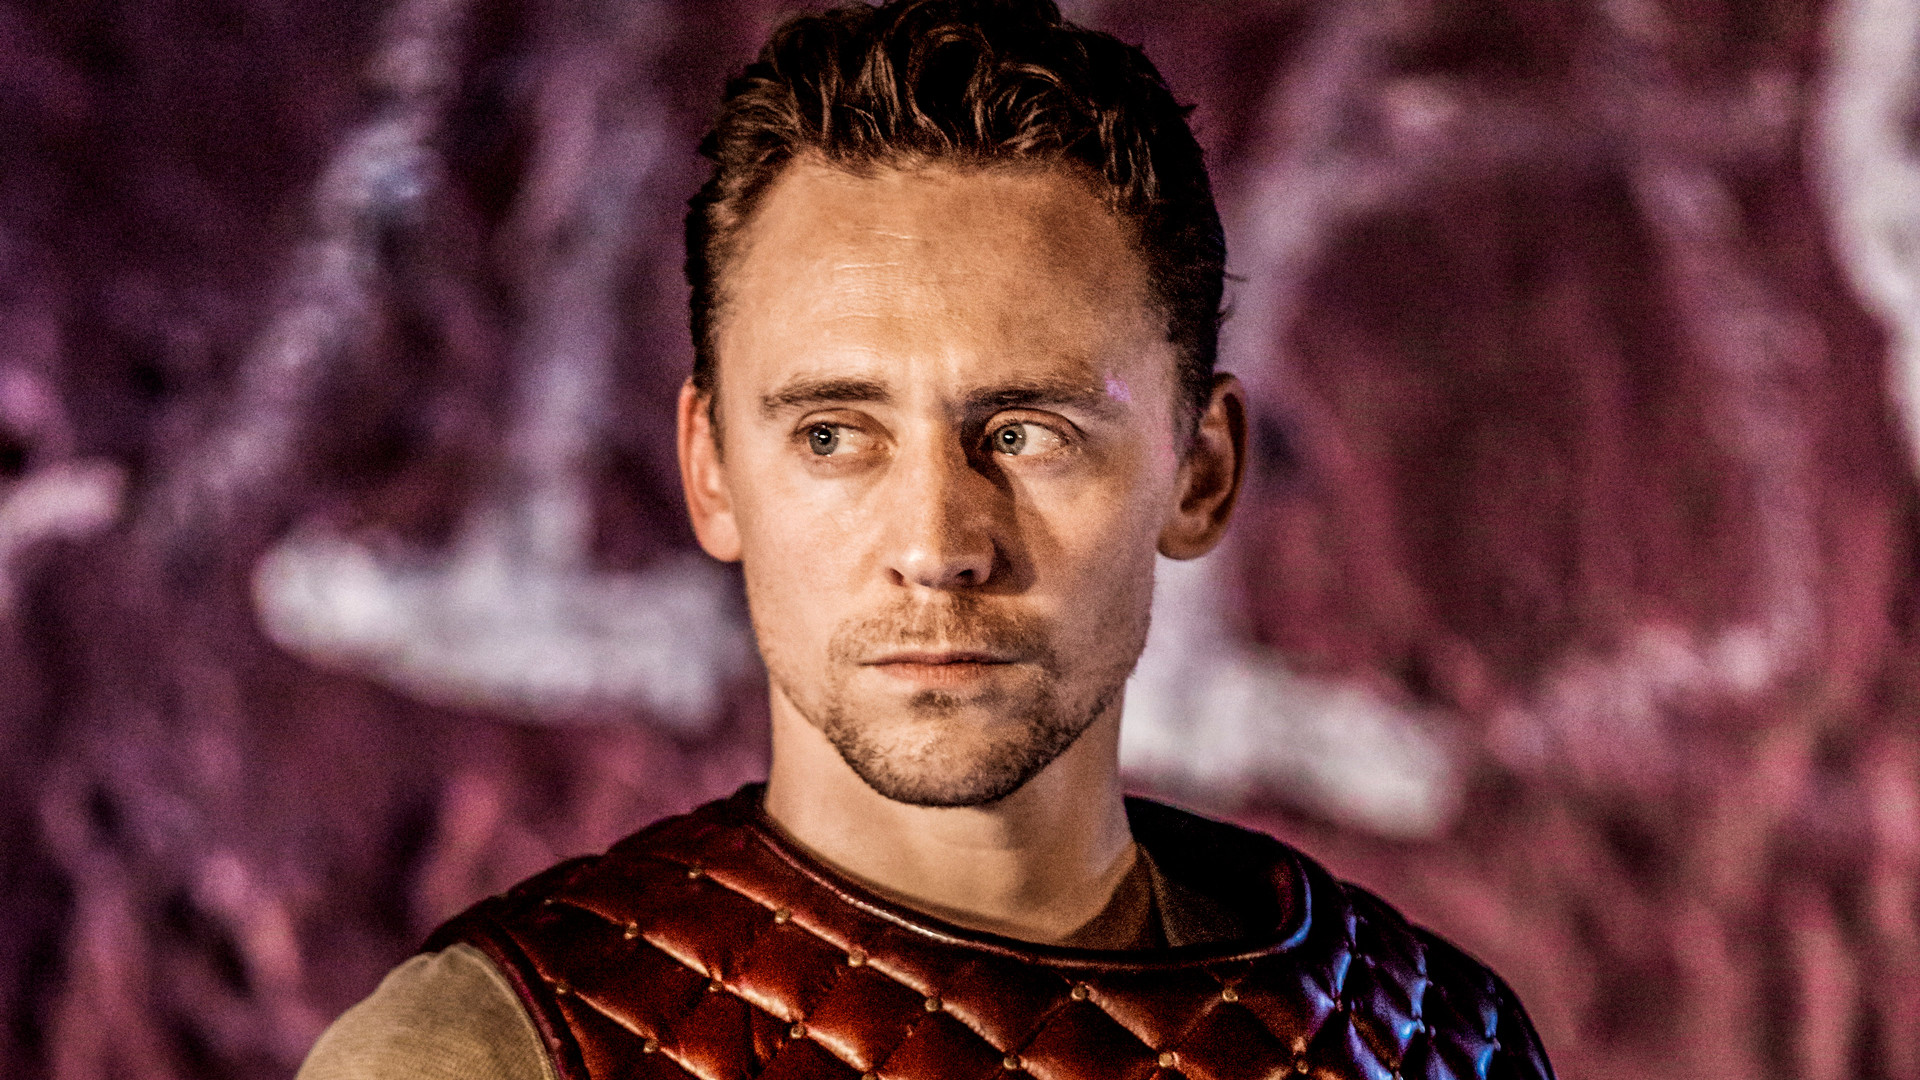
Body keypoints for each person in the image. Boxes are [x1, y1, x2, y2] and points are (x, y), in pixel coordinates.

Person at [298, 1, 1555, 1078]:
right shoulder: (492, 1052)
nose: (938, 543)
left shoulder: (1434, 1046)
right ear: (712, 470)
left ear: (1201, 472)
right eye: (834, 435)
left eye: (1026, 432)